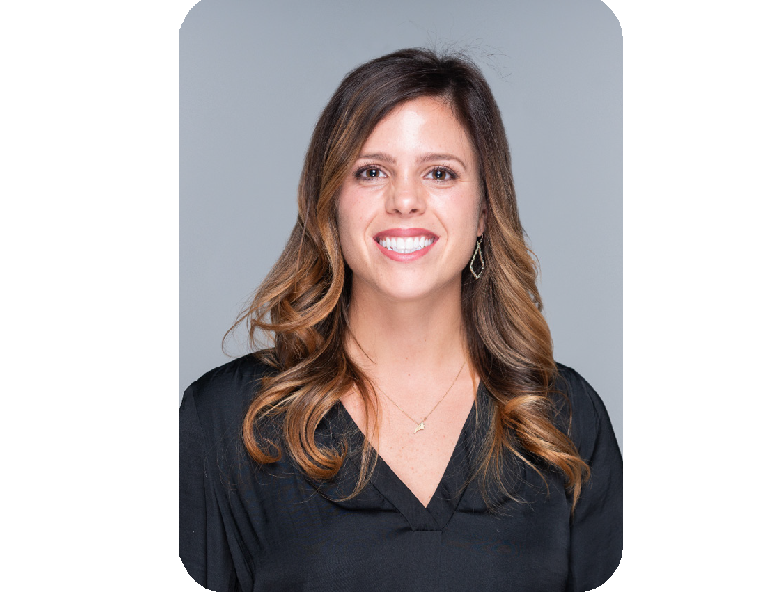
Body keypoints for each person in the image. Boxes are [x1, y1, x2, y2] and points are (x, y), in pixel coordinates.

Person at [179, 47, 622, 592]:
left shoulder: (566, 419)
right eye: (370, 172)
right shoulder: (226, 421)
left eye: (440, 172)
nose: (405, 200)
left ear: (484, 211)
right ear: (330, 205)